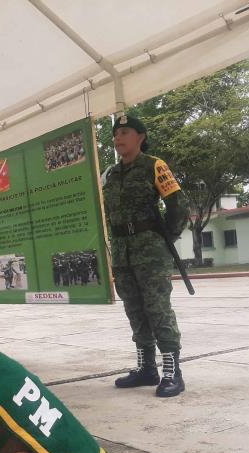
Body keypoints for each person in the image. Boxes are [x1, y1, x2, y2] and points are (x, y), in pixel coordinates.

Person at [103, 115, 189, 398]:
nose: (118, 139)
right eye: (115, 134)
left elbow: (178, 206)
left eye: (124, 132)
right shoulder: (112, 175)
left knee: (157, 308)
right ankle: (146, 368)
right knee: (135, 310)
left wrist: (165, 240)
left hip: (150, 251)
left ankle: (172, 371)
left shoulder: (154, 165)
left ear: (140, 136)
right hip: (122, 252)